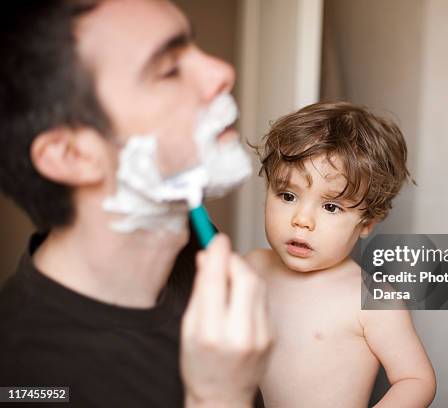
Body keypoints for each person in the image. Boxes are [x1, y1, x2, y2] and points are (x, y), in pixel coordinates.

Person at [0, 1, 270, 407]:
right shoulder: (22, 377)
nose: (221, 72)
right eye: (168, 68)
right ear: (73, 155)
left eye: (192, 46)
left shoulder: (200, 255)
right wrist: (219, 398)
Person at [246, 102, 436, 407]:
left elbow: (416, 380)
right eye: (288, 195)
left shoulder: (372, 298)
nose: (302, 219)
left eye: (331, 206)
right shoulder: (252, 268)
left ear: (367, 223)